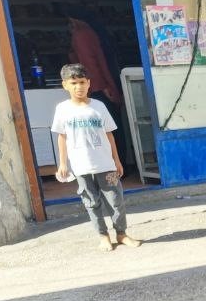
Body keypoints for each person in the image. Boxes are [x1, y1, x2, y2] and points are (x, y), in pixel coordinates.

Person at [53, 63, 142, 252]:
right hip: (81, 167)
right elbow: (62, 137)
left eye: (82, 82)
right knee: (91, 202)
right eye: (74, 83)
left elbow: (109, 134)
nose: (79, 87)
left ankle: (121, 234)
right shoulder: (62, 109)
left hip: (106, 164)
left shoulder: (99, 106)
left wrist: (117, 160)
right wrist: (62, 163)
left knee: (115, 200)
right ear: (65, 85)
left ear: (89, 83)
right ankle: (103, 236)